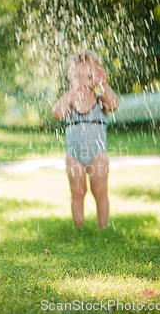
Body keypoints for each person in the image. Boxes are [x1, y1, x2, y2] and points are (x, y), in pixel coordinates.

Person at [52, 50, 119, 229]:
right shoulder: (71, 100)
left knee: (100, 191)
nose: (83, 81)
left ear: (96, 76)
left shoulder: (100, 97)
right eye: (78, 76)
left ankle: (102, 227)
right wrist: (71, 93)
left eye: (88, 76)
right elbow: (57, 112)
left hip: (98, 154)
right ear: (70, 76)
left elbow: (114, 105)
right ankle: (78, 226)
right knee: (77, 191)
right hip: (74, 155)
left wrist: (102, 85)